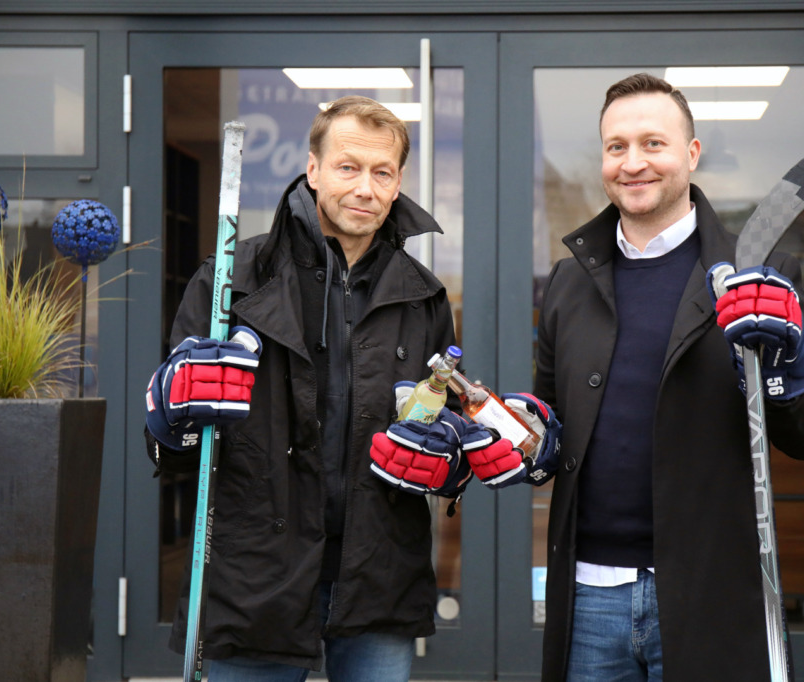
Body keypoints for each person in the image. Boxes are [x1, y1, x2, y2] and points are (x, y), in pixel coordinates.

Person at [143, 95, 527, 682]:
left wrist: (450, 463)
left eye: (383, 172)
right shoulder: (233, 283)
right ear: (314, 170)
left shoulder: (422, 296)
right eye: (348, 167)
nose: (365, 189)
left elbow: (440, 428)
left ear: (399, 182)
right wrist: (172, 416)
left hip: (378, 576)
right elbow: (171, 449)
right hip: (255, 577)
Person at [531, 73, 804, 681]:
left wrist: (786, 375)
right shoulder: (568, 280)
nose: (633, 163)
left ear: (691, 154)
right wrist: (511, 438)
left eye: (654, 143)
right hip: (589, 598)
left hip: (710, 590)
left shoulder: (761, 273)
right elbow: (550, 425)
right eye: (616, 146)